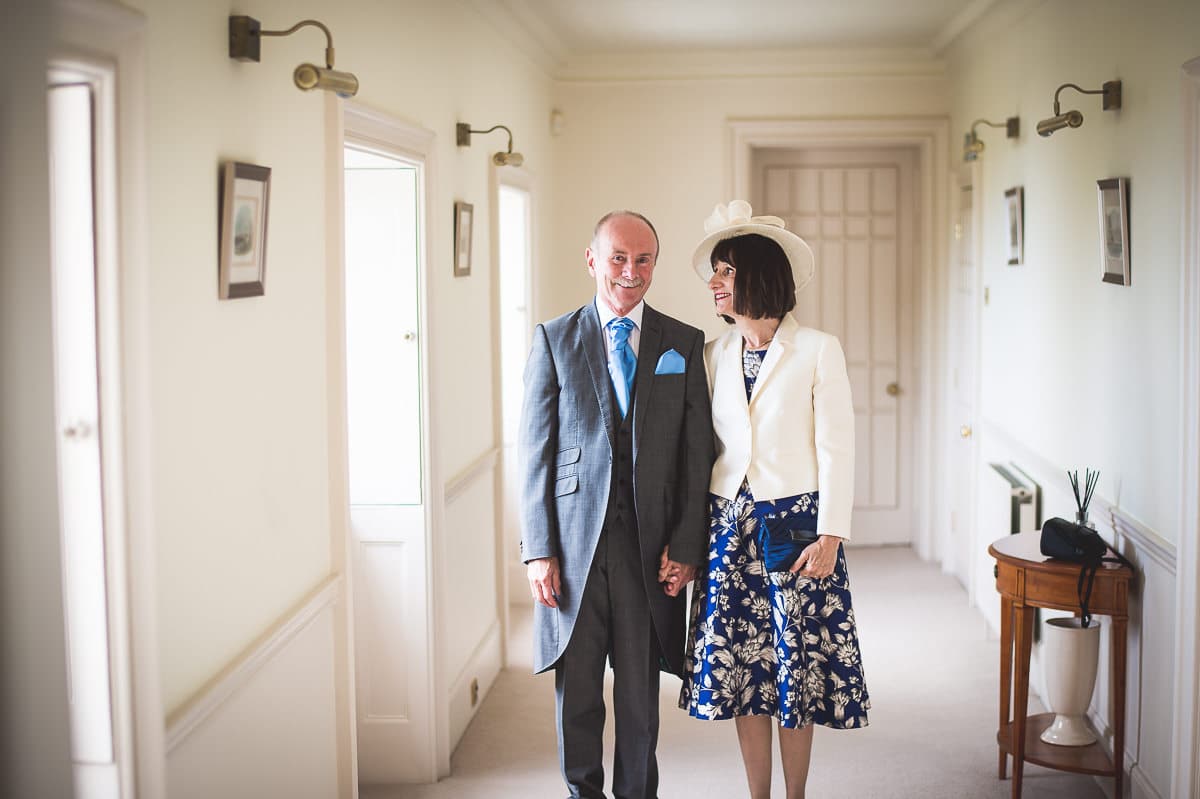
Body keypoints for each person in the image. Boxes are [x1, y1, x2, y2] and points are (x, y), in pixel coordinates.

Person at [673, 200, 870, 799]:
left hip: (797, 530)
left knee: (796, 675)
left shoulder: (817, 349)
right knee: (742, 676)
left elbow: (838, 446)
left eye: (725, 271)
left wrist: (832, 536)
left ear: (757, 275)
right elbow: (701, 451)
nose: (714, 283)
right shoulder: (711, 355)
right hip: (729, 529)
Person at [520, 210, 714, 799]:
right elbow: (536, 453)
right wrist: (539, 552)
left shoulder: (682, 342)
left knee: (638, 705)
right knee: (576, 699)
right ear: (592, 260)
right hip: (573, 555)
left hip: (647, 554)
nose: (631, 273)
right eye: (618, 259)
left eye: (644, 259)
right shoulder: (555, 339)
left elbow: (695, 454)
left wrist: (685, 547)